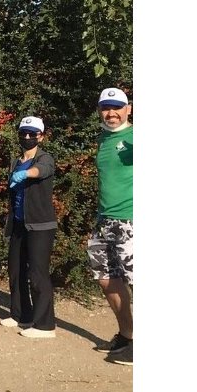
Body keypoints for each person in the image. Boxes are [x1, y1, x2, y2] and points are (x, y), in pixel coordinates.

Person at [2, 115, 59, 339]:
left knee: (37, 273)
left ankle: (45, 325)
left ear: (40, 136)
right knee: (16, 270)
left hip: (40, 225)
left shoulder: (45, 158)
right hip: (18, 223)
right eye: (23, 133)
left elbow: (42, 170)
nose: (27, 137)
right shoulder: (16, 160)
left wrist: (27, 173)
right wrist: (19, 170)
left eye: (32, 134)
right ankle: (21, 314)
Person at [89, 88, 133, 365]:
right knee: (106, 279)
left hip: (132, 220)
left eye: (117, 107)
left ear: (128, 109)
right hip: (105, 220)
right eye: (106, 107)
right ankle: (128, 335)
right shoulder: (104, 138)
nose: (111, 113)